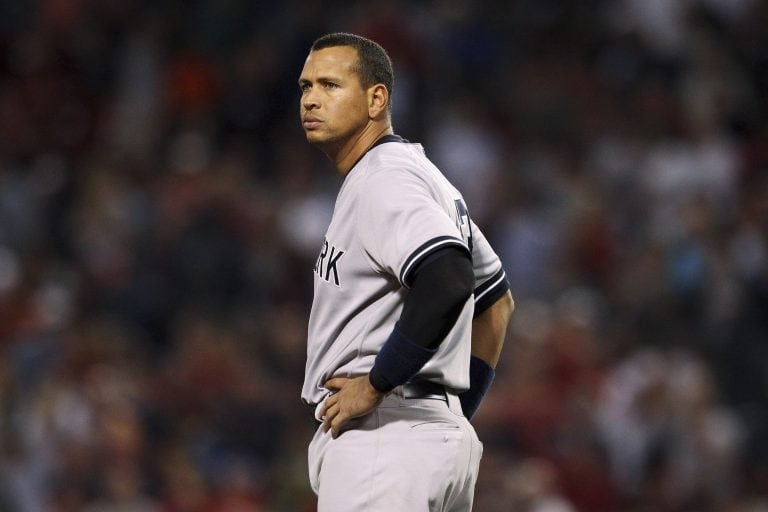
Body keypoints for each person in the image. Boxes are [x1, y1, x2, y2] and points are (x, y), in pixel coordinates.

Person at [298, 32, 514, 511]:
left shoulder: (384, 178)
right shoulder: (419, 176)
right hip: (423, 436)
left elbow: (449, 277)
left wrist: (378, 383)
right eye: (305, 86)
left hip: (386, 439)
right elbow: (495, 304)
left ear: (377, 98)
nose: (311, 98)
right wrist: (449, 411)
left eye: (330, 84)